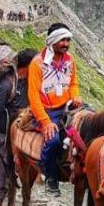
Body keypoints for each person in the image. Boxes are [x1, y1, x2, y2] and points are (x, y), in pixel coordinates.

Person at [27, 23, 83, 196]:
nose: (66, 44)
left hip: (67, 107)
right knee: (53, 142)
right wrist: (45, 122)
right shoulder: (37, 64)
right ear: (52, 41)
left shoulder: (69, 60)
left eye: (67, 40)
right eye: (62, 40)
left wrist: (76, 96)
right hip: (46, 111)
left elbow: (72, 83)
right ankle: (50, 175)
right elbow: (33, 96)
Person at [0, 47, 37, 206]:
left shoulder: (28, 82)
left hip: (18, 132)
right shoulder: (6, 85)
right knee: (0, 171)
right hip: (2, 133)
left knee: (18, 170)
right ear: (28, 66)